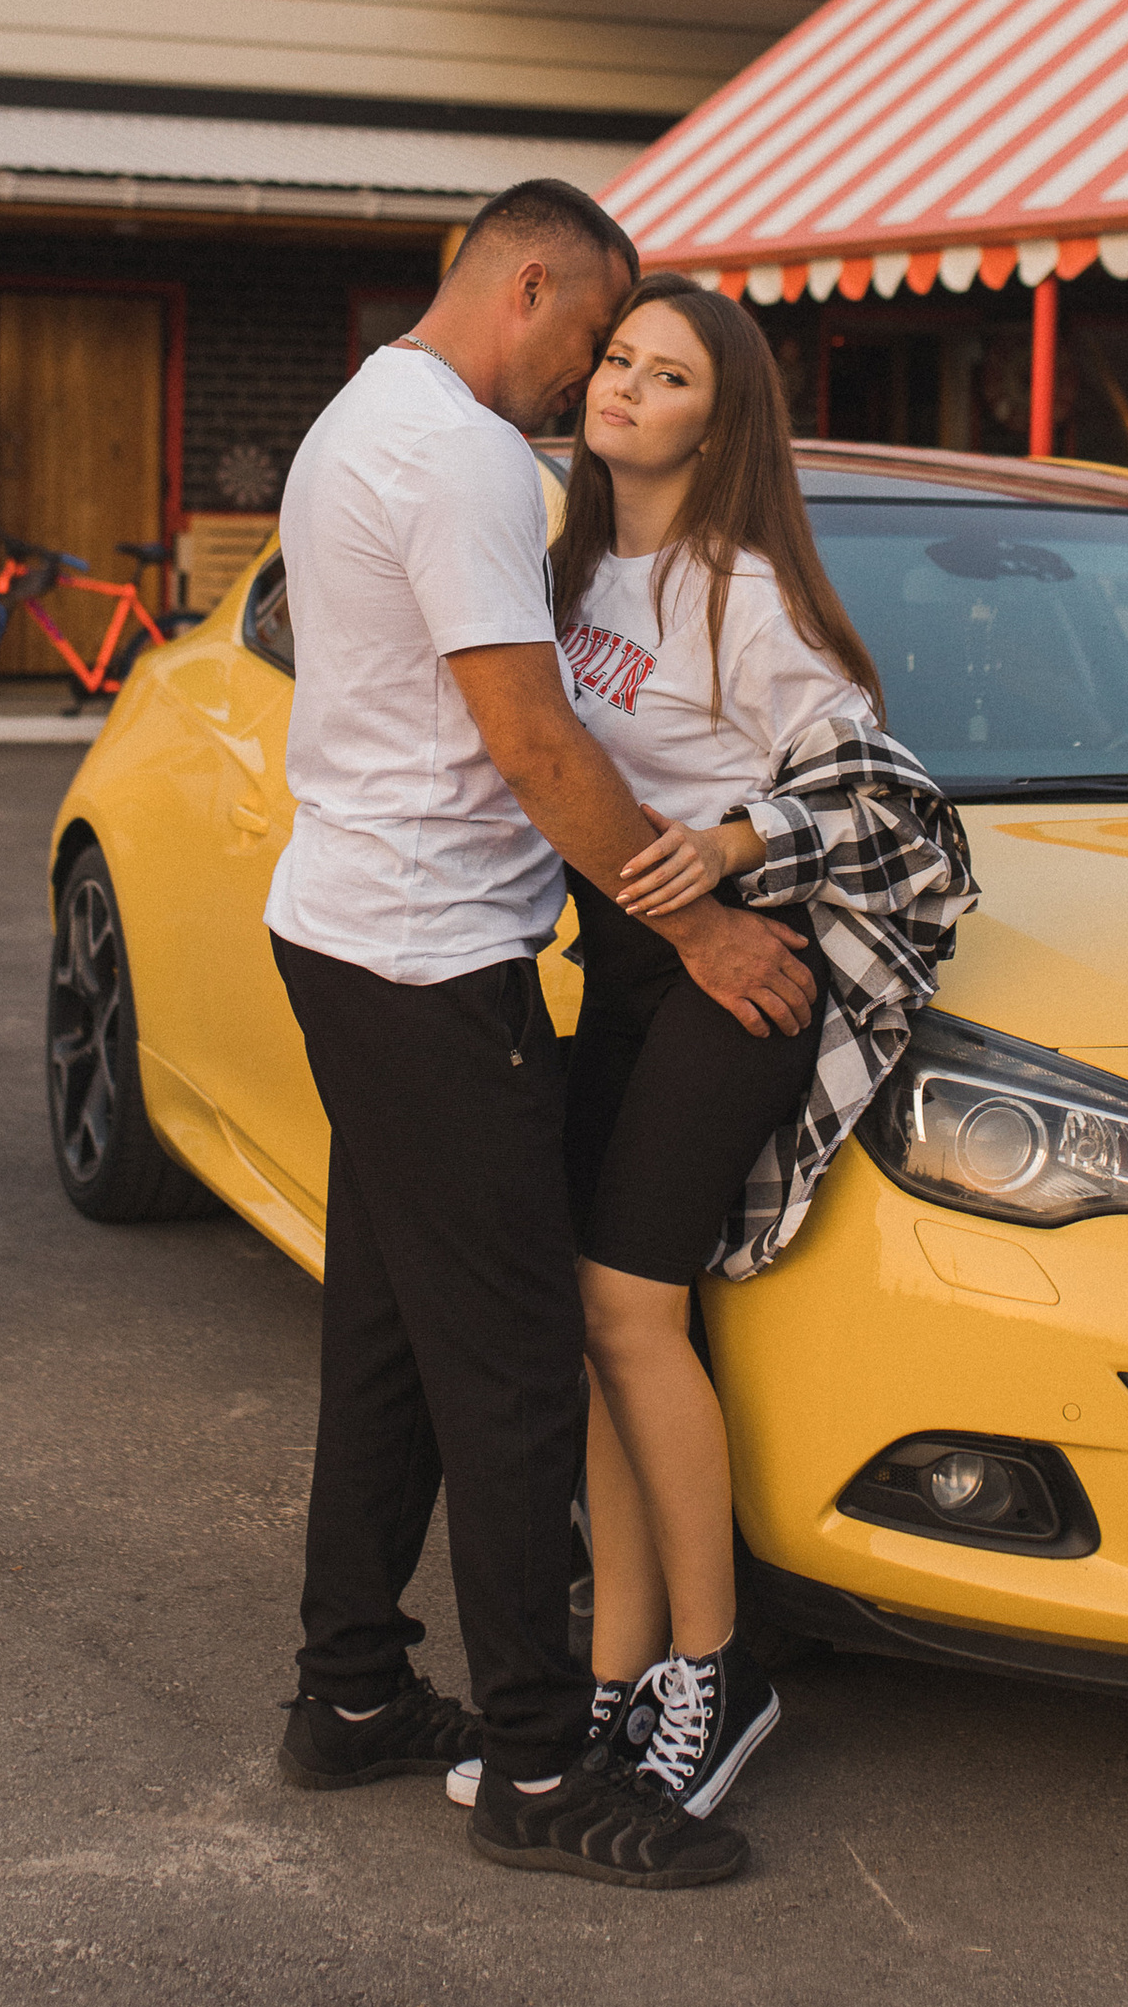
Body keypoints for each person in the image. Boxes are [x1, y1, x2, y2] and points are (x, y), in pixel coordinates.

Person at [264, 182, 815, 1893]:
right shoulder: (466, 460)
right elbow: (533, 738)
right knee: (511, 1372)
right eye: (593, 341)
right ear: (528, 287)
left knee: (386, 1344)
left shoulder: (368, 411)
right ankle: (534, 1763)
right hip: (430, 963)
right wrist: (704, 920)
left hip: (352, 931)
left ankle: (349, 1695)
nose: (589, 385)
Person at [553, 274, 972, 1821]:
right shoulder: (579, 568)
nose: (623, 391)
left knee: (628, 1309)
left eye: (665, 378)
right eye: (615, 361)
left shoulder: (743, 593)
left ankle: (718, 1683)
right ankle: (619, 1677)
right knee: (595, 1327)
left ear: (717, 423)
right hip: (622, 973)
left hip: (738, 990)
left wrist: (734, 848)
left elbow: (888, 798)